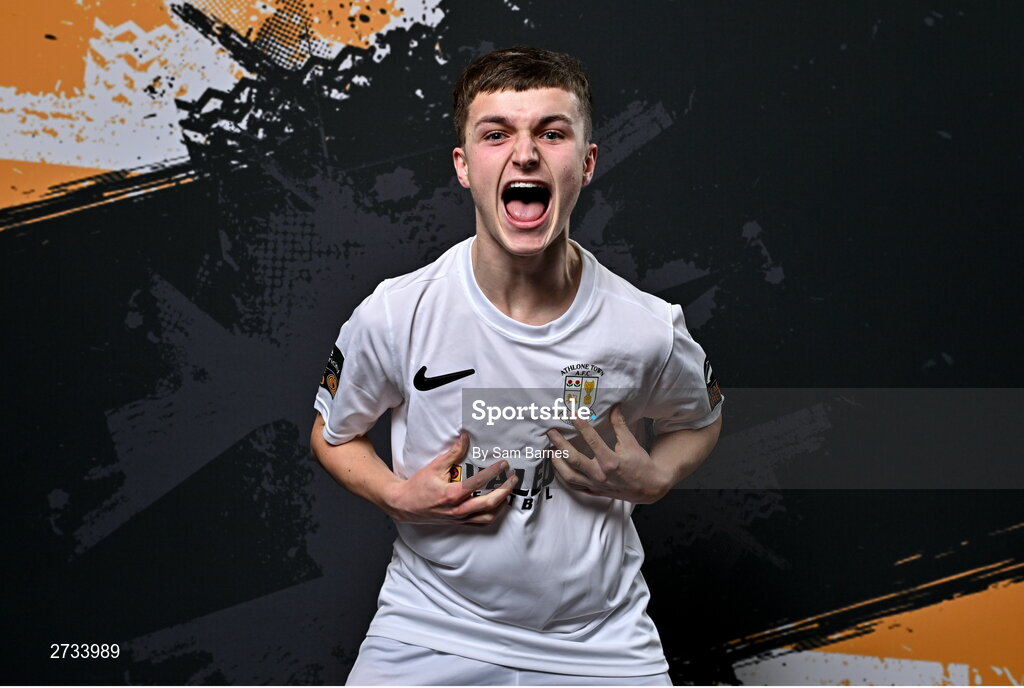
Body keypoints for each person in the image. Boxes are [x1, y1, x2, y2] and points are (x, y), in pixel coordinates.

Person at [311, 46, 723, 685]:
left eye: (551, 133)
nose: (524, 154)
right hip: (430, 626)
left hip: (602, 643)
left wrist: (657, 476)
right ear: (464, 165)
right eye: (496, 134)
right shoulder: (396, 314)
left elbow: (701, 420)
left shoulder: (646, 328)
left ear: (585, 165)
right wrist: (397, 493)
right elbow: (332, 434)